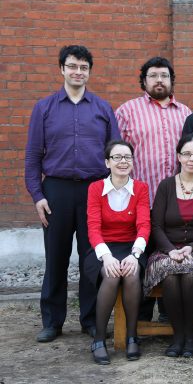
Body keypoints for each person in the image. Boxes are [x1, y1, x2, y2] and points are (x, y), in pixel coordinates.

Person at [25, 45, 121, 343]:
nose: (78, 72)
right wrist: (38, 196)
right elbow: (33, 157)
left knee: (92, 257)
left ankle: (90, 319)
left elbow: (116, 153)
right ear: (62, 69)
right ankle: (52, 321)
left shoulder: (103, 109)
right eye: (72, 66)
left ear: (89, 72)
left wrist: (112, 191)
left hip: (94, 190)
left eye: (83, 67)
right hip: (57, 190)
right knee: (56, 257)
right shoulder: (44, 108)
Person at [116, 56, 192, 321]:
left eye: (164, 76)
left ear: (171, 81)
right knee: (142, 255)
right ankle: (141, 315)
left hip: (175, 202)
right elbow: (116, 154)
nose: (159, 80)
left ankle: (169, 312)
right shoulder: (127, 111)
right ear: (144, 81)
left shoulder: (185, 113)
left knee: (170, 254)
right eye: (153, 76)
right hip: (140, 200)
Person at [143, 134, 193, 358]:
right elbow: (156, 225)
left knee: (190, 276)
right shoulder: (166, 186)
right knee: (170, 276)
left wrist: (192, 247)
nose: (191, 159)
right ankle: (177, 337)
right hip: (166, 249)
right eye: (187, 154)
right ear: (179, 157)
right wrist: (170, 250)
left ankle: (191, 337)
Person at [84, 140, 151, 364]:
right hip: (103, 248)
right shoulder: (95, 188)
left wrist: (135, 255)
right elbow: (93, 227)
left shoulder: (141, 188)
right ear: (107, 162)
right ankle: (99, 340)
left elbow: (144, 225)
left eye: (127, 157)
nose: (123, 161)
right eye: (117, 157)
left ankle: (132, 337)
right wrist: (106, 257)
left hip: (132, 246)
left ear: (133, 161)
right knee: (111, 276)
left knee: (131, 275)